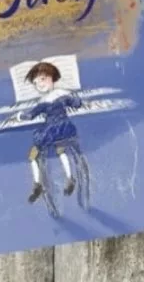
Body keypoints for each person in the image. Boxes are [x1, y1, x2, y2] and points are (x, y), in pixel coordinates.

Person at [20, 61, 88, 212]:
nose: (40, 85)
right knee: (61, 149)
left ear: (52, 77)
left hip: (51, 131)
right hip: (66, 129)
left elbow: (30, 115)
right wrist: (75, 97)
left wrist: (20, 116)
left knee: (33, 154)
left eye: (43, 79)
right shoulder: (63, 94)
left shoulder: (43, 101)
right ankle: (70, 178)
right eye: (36, 83)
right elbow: (77, 103)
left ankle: (37, 184)